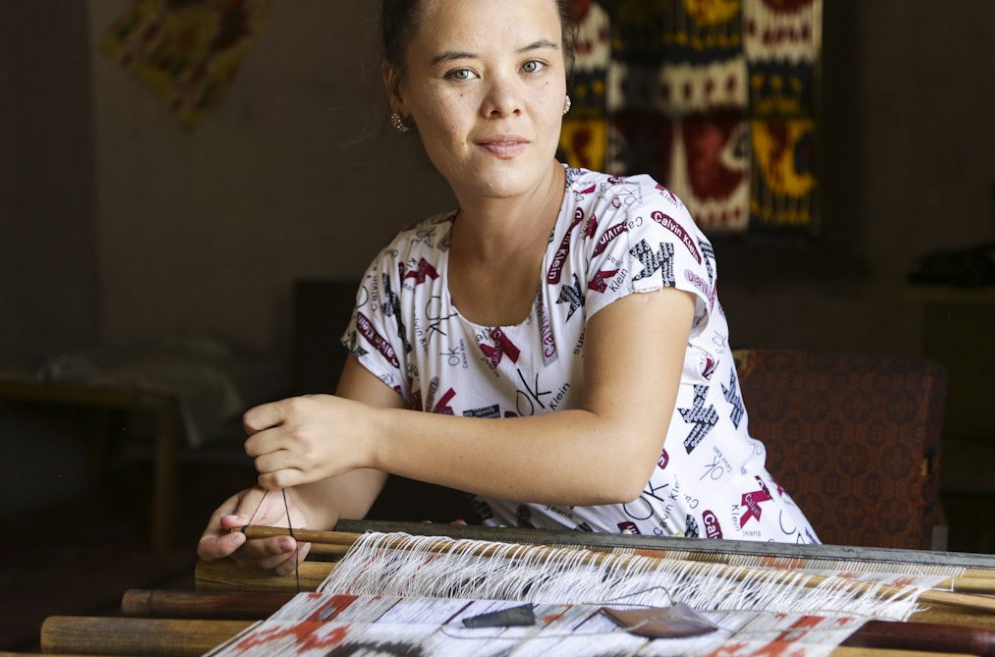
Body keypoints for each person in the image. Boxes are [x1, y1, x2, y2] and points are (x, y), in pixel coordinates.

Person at [198, 0, 818, 576]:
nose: (505, 102)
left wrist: (372, 435)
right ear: (400, 90)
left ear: (566, 80)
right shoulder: (404, 275)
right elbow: (343, 478)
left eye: (533, 65)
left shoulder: (632, 226)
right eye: (462, 73)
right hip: (559, 597)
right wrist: (282, 520)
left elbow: (617, 457)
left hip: (741, 585)